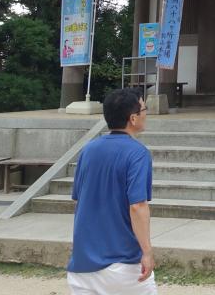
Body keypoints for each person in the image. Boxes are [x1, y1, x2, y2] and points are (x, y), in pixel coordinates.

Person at [67, 88, 156, 294]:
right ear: (133, 118)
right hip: (123, 265)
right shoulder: (138, 153)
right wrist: (147, 252)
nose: (146, 113)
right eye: (144, 108)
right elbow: (138, 206)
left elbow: (79, 199)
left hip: (82, 266)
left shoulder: (89, 150)